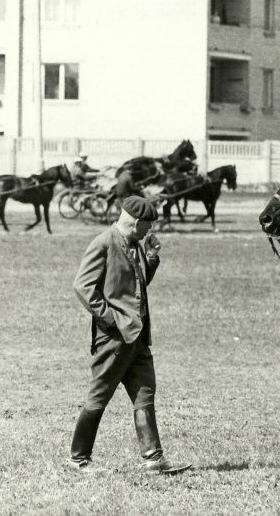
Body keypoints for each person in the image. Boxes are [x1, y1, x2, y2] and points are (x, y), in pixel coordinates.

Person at [68, 195, 191, 474]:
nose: (150, 231)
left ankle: (154, 459)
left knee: (144, 394)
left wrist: (151, 257)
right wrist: (112, 319)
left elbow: (137, 285)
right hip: (114, 338)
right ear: (135, 222)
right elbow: (83, 287)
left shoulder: (135, 245)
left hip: (137, 337)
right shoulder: (103, 243)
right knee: (99, 395)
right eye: (147, 226)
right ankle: (78, 459)